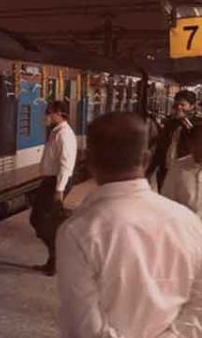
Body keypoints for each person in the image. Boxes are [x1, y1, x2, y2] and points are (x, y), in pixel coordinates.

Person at [56, 112, 202, 338]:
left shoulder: (77, 231)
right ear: (146, 159)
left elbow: (84, 326)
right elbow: (198, 307)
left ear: (89, 160)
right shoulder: (188, 222)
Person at [30, 100, 77, 276]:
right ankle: (53, 260)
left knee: (41, 220)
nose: (46, 116)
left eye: (48, 112)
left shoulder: (64, 134)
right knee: (41, 220)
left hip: (56, 182)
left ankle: (56, 259)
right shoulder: (57, 132)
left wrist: (59, 190)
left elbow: (66, 164)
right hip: (51, 181)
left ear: (58, 113)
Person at [147, 90, 201, 190]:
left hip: (185, 171)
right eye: (176, 104)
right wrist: (150, 170)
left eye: (183, 105)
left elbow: (194, 140)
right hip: (165, 170)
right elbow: (160, 148)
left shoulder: (197, 124)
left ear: (192, 106)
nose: (179, 107)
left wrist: (184, 119)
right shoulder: (170, 123)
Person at [161, 125, 202, 217]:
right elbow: (167, 201)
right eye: (199, 142)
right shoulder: (178, 168)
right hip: (184, 227)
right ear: (191, 144)